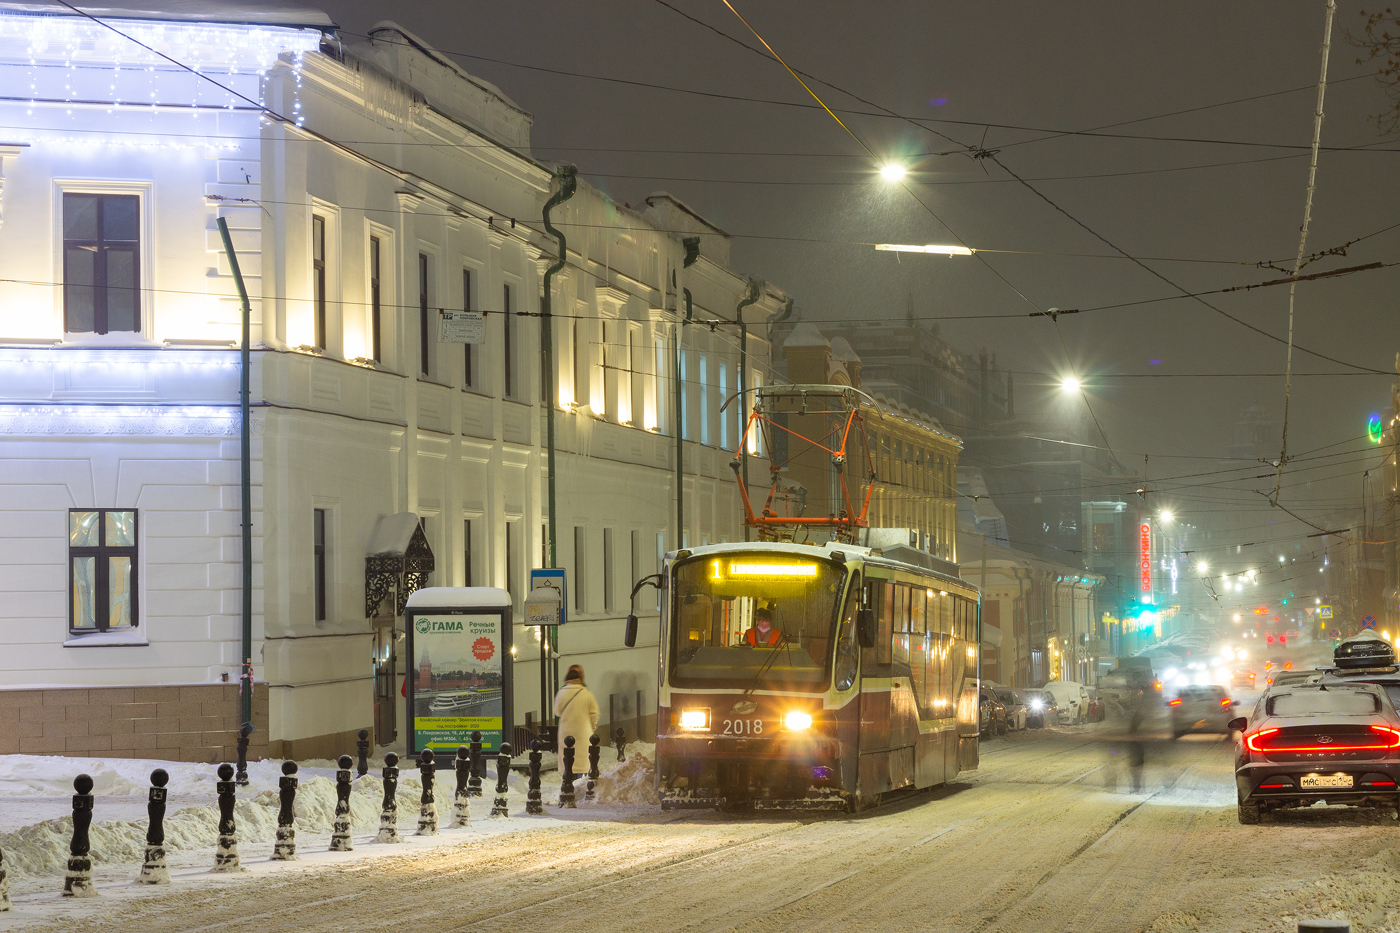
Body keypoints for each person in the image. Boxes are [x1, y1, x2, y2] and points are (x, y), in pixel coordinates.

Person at [553, 664, 600, 756]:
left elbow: (557, 712)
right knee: (582, 758)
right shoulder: (587, 694)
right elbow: (594, 713)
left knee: (567, 759)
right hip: (583, 732)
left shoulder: (561, 693)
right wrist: (592, 728)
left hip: (566, 732)